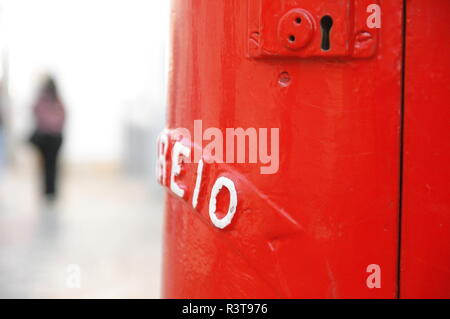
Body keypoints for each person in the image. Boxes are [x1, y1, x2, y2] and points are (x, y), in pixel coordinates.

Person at [31, 76, 66, 200]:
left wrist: (49, 125)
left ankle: (49, 192)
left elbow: (36, 112)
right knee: (51, 165)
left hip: (49, 137)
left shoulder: (47, 99)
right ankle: (50, 192)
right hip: (53, 137)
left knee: (48, 165)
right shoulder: (56, 100)